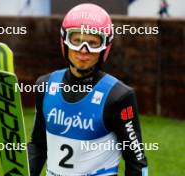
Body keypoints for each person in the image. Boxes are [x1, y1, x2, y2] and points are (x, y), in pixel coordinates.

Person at [28, 3, 148, 176]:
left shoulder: (118, 96)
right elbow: (38, 144)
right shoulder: (45, 85)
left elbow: (136, 161)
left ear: (105, 47)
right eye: (76, 40)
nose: (83, 51)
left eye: (93, 43)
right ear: (65, 42)